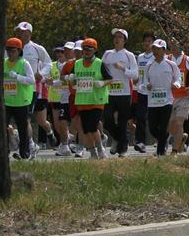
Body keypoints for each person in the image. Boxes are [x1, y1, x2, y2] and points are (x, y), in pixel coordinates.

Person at [15, 21, 56, 151]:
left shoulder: (37, 48)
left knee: (37, 120)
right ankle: (31, 145)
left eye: (22, 31)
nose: (19, 33)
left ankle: (41, 138)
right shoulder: (12, 47)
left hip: (33, 88)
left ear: (29, 33)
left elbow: (48, 63)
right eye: (18, 31)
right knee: (23, 118)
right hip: (17, 88)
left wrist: (41, 73)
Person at [69, 37, 109, 158]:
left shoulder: (100, 63)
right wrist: (71, 80)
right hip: (82, 101)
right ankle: (92, 153)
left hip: (97, 100)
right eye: (84, 49)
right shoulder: (77, 64)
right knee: (85, 129)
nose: (86, 51)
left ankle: (100, 149)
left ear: (95, 50)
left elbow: (110, 79)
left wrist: (102, 83)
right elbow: (73, 81)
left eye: (89, 49)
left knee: (92, 127)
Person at [102, 28, 138, 156]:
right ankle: (118, 139)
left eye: (120, 37)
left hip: (124, 93)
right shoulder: (107, 54)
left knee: (123, 122)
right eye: (115, 37)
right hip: (109, 92)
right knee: (107, 120)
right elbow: (101, 69)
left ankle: (123, 149)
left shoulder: (129, 55)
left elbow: (135, 75)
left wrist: (123, 69)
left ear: (124, 41)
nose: (117, 39)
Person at [144, 39, 181, 155]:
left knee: (164, 126)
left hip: (167, 101)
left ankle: (160, 153)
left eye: (158, 49)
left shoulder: (171, 64)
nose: (155, 51)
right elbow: (144, 82)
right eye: (154, 48)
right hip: (153, 101)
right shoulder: (149, 65)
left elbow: (178, 78)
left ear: (164, 50)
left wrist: (176, 84)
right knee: (152, 128)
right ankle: (165, 137)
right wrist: (147, 85)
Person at [2, 37, 37, 159]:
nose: (10, 53)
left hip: (21, 101)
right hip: (7, 101)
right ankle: (4, 152)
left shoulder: (24, 63)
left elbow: (31, 80)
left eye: (13, 50)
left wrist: (17, 76)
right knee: (3, 127)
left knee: (23, 129)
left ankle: (24, 153)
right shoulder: (3, 63)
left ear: (19, 51)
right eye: (8, 50)